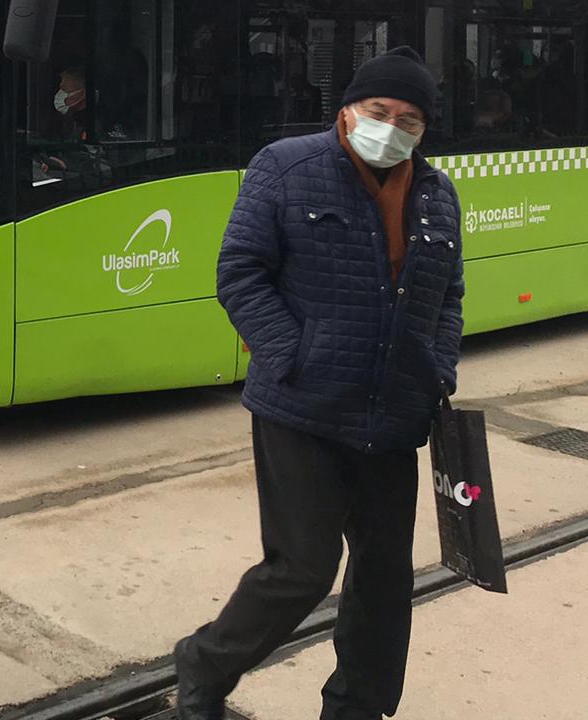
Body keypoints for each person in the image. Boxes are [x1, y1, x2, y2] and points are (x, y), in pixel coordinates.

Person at [173, 47, 464, 720]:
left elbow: (448, 295)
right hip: (302, 408)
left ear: (425, 129)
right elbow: (239, 271)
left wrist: (437, 366)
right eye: (378, 110)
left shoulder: (437, 194)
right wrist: (290, 353)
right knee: (301, 568)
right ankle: (206, 663)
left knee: (385, 577)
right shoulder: (287, 167)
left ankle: (356, 707)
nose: (390, 127)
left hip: (394, 413)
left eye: (409, 118)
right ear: (349, 109)